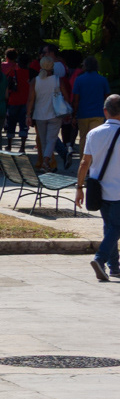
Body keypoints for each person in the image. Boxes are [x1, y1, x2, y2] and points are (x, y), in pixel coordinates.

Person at [77, 94, 120, 285]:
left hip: (99, 189)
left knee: (108, 226)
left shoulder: (93, 133)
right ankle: (100, 259)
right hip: (118, 189)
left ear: (105, 111)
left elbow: (85, 162)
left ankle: (114, 267)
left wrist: (79, 187)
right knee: (116, 227)